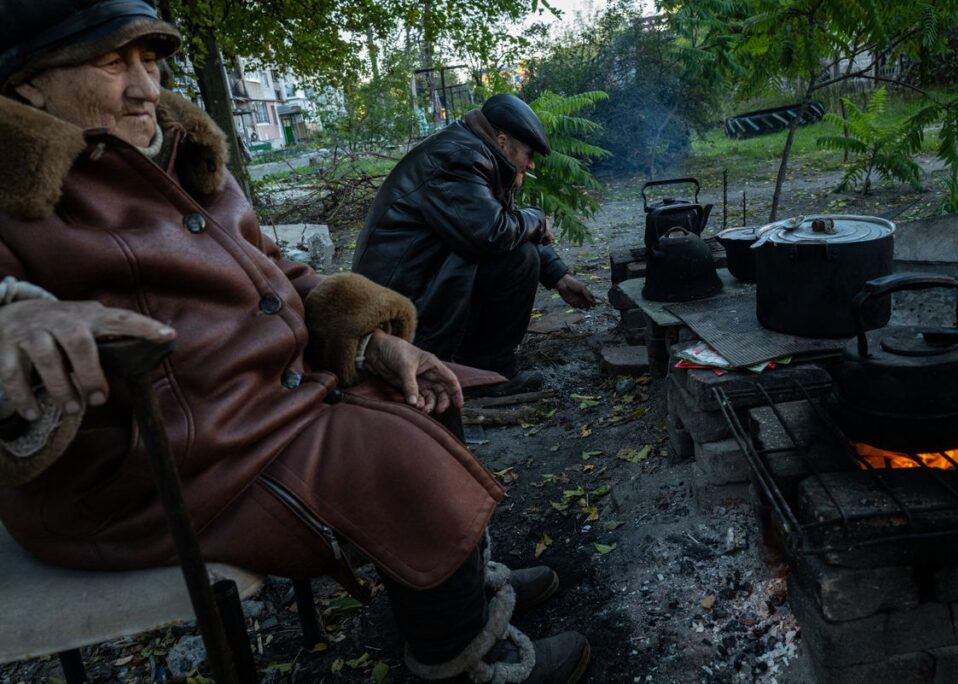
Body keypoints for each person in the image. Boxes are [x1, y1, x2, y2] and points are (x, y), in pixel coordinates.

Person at [0, 2, 589, 682]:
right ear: (28, 83)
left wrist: (371, 344)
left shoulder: (176, 154)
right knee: (397, 458)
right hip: (158, 470)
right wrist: (15, 314)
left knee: (425, 391)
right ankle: (457, 660)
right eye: (111, 63)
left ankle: (455, 586)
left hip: (255, 410)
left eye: (151, 63)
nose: (146, 89)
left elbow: (276, 269)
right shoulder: (16, 186)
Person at [353, 93, 596, 396]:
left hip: (415, 285)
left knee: (519, 252)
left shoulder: (476, 153)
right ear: (503, 140)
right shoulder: (459, 158)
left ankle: (478, 363)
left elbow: (499, 223)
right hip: (396, 309)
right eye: (528, 153)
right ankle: (487, 372)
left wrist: (558, 275)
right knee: (519, 260)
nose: (531, 164)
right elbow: (490, 234)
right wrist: (537, 218)